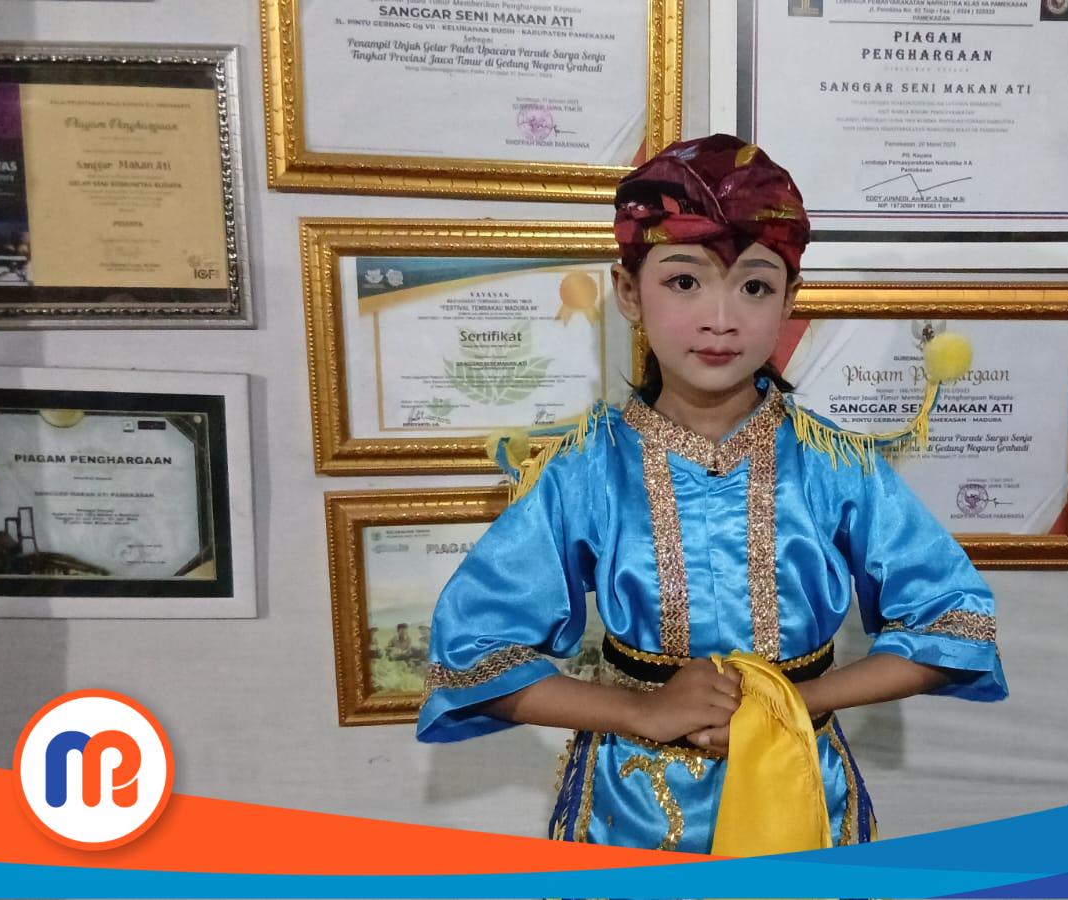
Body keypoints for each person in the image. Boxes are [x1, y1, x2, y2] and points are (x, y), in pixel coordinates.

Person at [417, 134, 1007, 853]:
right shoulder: (584, 470)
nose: (721, 318)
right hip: (629, 809)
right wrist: (641, 712)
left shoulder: (835, 466)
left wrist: (791, 703)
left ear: (791, 299)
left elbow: (957, 623)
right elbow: (473, 651)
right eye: (684, 282)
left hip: (799, 790)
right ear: (629, 292)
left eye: (754, 286)